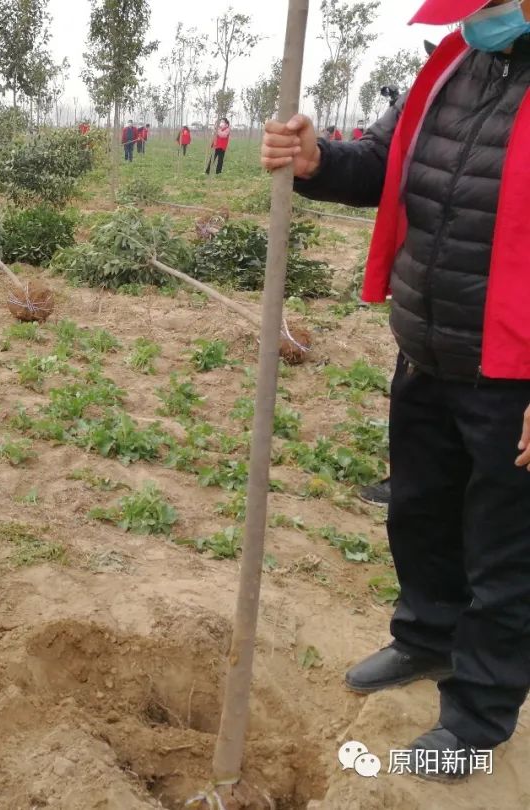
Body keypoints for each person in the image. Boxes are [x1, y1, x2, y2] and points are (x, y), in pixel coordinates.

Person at [261, 0, 530, 779]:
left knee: (504, 550)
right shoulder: (449, 62)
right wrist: (318, 162)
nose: (483, 10)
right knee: (420, 510)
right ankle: (425, 638)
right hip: (428, 345)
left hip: (513, 370)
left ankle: (478, 717)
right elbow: (385, 164)